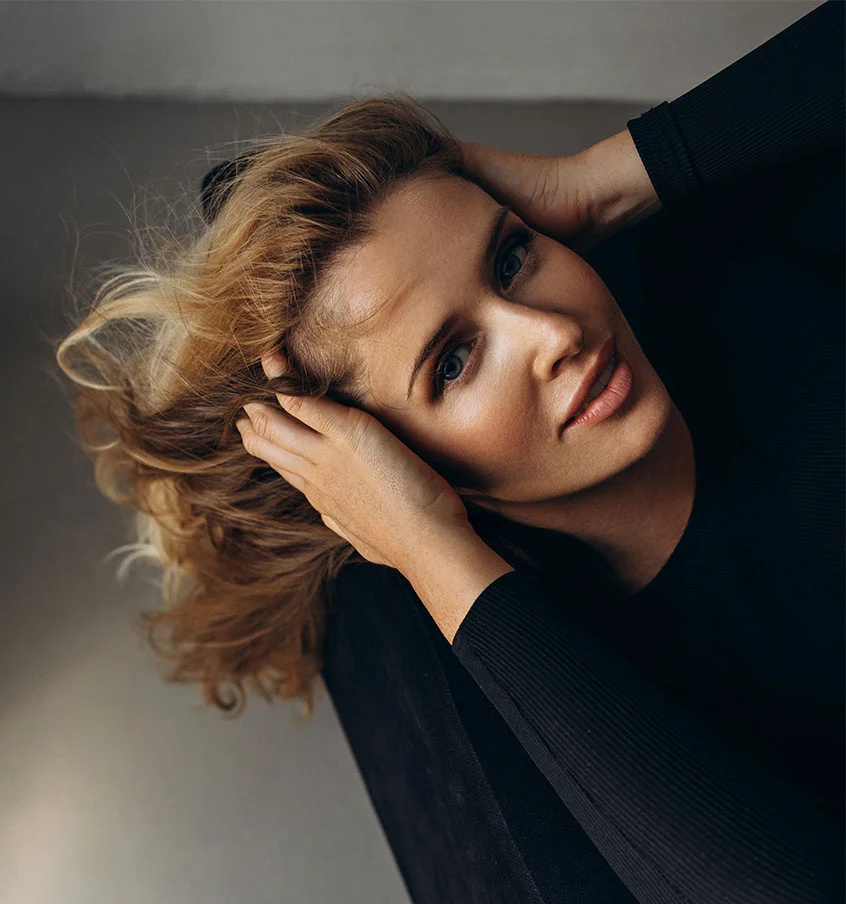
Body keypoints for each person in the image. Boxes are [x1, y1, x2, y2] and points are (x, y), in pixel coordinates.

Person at [54, 2, 843, 902]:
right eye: (454, 362)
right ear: (388, 461)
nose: (552, 333)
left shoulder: (760, 276)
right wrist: (433, 553)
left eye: (510, 259)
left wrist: (611, 176)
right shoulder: (596, 673)